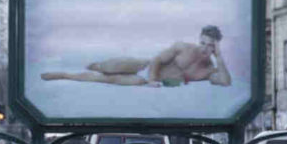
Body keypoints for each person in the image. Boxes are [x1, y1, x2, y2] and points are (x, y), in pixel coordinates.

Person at [41, 25, 232, 87]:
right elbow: (158, 60)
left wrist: (220, 56)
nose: (205, 48)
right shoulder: (183, 47)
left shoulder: (208, 70)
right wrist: (152, 79)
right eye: (203, 43)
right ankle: (89, 62)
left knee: (106, 79)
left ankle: (63, 75)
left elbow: (225, 81)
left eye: (210, 45)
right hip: (146, 67)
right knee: (107, 67)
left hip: (150, 82)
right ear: (199, 39)